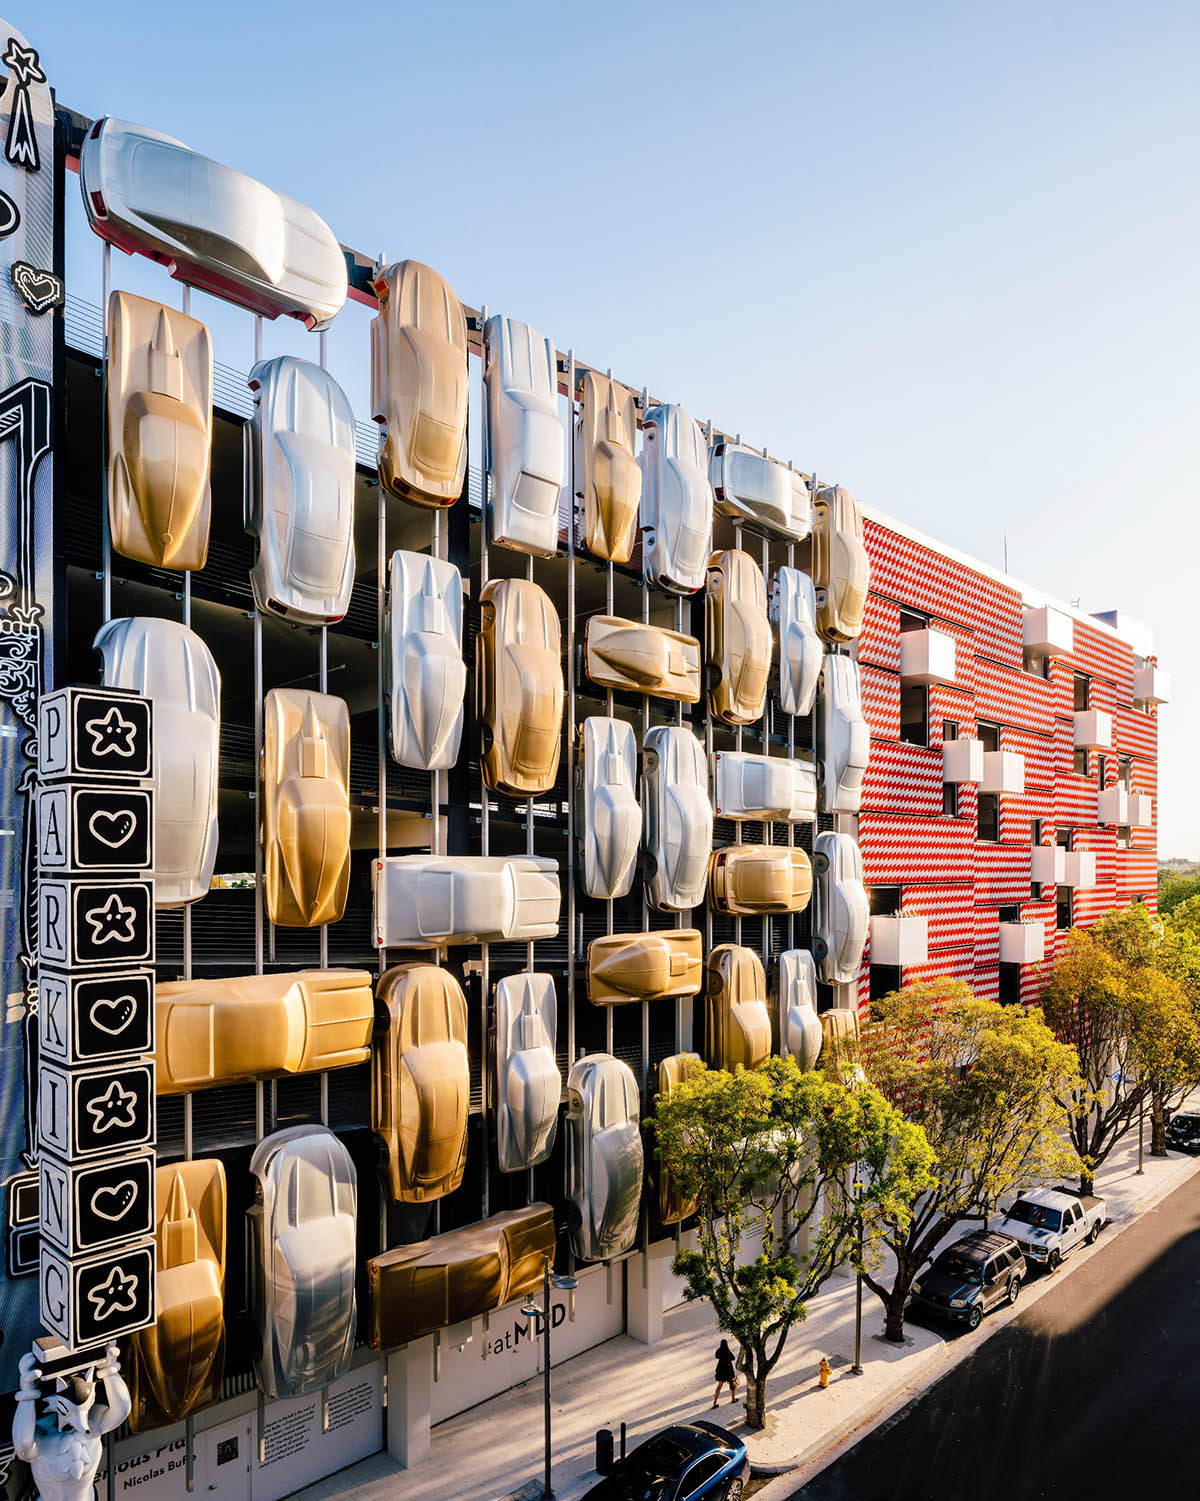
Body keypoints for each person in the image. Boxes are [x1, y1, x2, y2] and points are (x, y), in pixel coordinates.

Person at [713, 1339, 738, 1407]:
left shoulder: (719, 1350)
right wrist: (728, 1350)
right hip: (729, 1370)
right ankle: (733, 1399)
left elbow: (716, 1356)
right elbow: (733, 1358)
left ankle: (715, 1401)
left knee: (719, 1386)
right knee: (732, 1384)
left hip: (721, 1370)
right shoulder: (728, 1351)